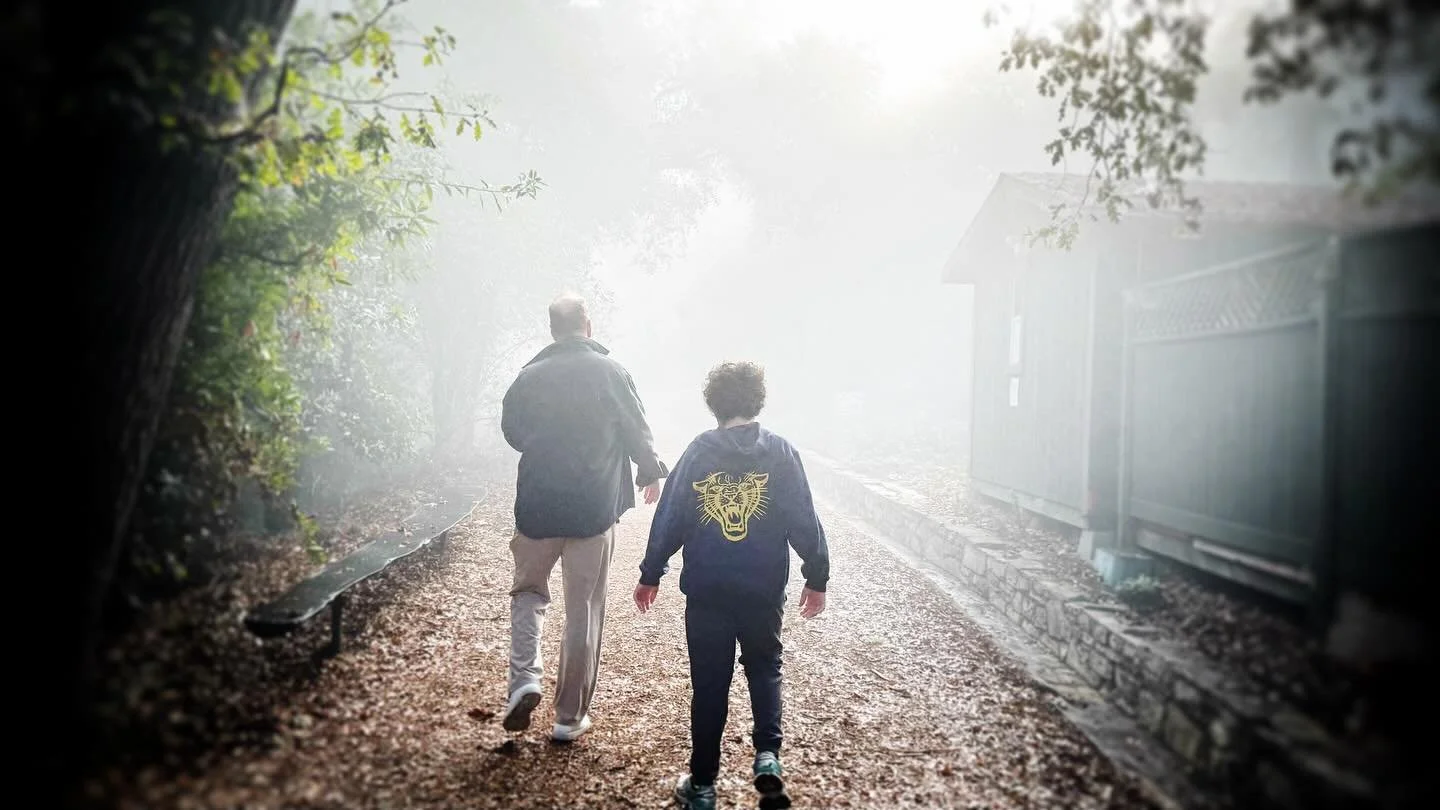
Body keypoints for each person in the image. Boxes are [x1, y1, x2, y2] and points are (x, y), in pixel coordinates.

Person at [633, 361, 830, 810]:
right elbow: (804, 519)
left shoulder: (699, 452)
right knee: (764, 667)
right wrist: (816, 576)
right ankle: (767, 758)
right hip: (762, 590)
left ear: (713, 403)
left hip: (708, 591)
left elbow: (671, 518)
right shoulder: (780, 452)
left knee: (709, 683)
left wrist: (651, 572)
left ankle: (702, 786)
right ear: (756, 400)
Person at [500, 294, 668, 742]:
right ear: (587, 327)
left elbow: (513, 433)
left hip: (536, 505)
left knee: (528, 592)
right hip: (593, 509)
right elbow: (636, 426)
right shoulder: (611, 372)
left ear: (553, 329)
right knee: (584, 610)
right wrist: (649, 471)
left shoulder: (528, 376)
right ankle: (567, 718)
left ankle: (524, 680)